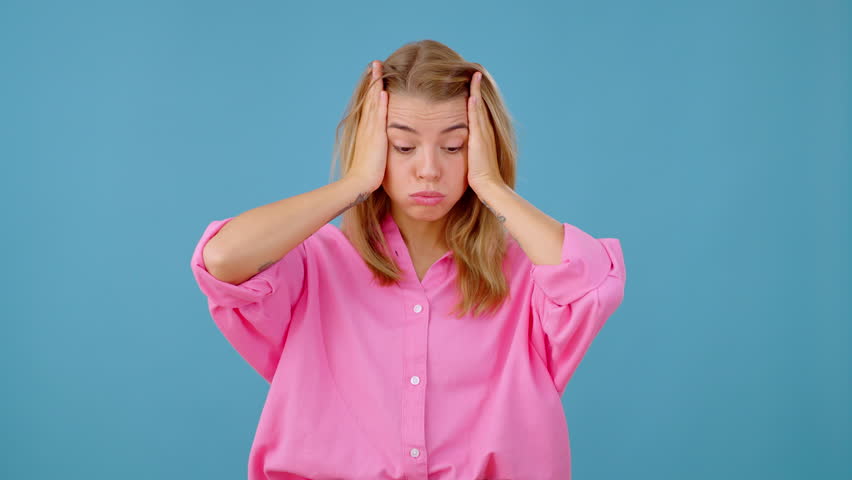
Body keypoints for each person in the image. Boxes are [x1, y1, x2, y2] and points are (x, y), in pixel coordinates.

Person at [190, 39, 626, 480]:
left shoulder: (530, 272)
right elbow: (223, 258)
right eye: (403, 147)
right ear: (372, 145)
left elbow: (592, 285)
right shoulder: (313, 262)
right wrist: (354, 182)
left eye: (454, 147)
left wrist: (491, 184)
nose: (429, 169)